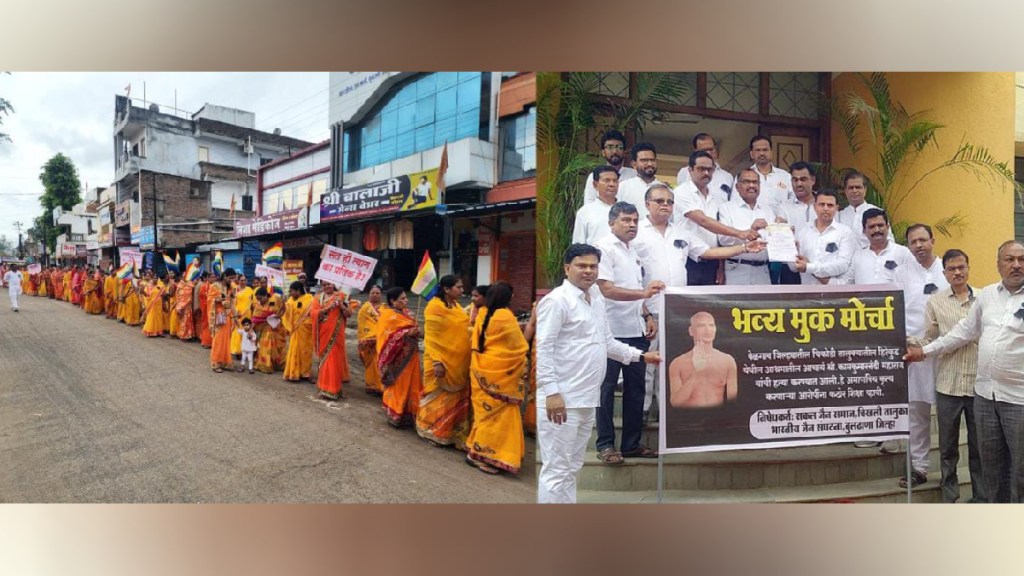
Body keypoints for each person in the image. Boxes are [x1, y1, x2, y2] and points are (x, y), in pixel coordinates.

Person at [535, 244, 661, 504]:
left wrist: (641, 356)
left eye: (593, 266)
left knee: (571, 467)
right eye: (582, 265)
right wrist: (551, 393)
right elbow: (544, 348)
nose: (589, 271)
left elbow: (608, 343)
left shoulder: (596, 299)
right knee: (556, 470)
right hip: (561, 400)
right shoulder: (557, 301)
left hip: (587, 399)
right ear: (567, 268)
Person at [635, 182, 766, 420]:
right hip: (648, 309)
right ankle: (642, 413)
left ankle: (664, 415)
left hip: (675, 310)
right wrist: (642, 309)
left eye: (669, 202)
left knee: (667, 364)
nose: (666, 205)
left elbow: (708, 252)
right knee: (647, 366)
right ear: (647, 204)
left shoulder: (681, 233)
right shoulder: (637, 233)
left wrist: (745, 247)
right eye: (659, 201)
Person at [906, 239, 1024, 503]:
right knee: (992, 464)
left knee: (1020, 468)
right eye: (1010, 259)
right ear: (998, 264)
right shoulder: (988, 296)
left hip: (1018, 398)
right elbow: (962, 333)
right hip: (984, 395)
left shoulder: (981, 294)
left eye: (1022, 259)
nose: (1016, 265)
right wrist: (923, 351)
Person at [593, 202, 663, 464]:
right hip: (610, 331)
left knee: (636, 389)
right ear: (612, 223)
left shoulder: (632, 250)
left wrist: (646, 314)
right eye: (625, 220)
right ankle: (606, 445)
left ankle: (631, 444)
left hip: (635, 329)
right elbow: (607, 289)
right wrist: (644, 294)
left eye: (634, 220)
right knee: (606, 389)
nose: (632, 225)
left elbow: (634, 288)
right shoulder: (603, 248)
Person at [923, 248, 986, 503]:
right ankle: (950, 496)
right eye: (952, 269)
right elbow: (929, 338)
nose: (957, 272)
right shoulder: (935, 302)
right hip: (948, 384)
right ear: (944, 273)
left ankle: (982, 498)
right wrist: (912, 346)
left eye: (962, 267)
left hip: (978, 385)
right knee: (948, 448)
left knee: (978, 447)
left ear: (968, 268)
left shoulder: (984, 298)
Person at [466, 282, 528, 474]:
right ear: (507, 298)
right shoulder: (505, 317)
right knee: (497, 419)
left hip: (480, 370)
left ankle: (479, 449)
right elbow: (520, 347)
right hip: (502, 376)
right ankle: (477, 454)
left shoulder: (482, 312)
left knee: (485, 416)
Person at [674, 150, 761, 285]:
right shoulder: (681, 192)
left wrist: (720, 268)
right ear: (690, 170)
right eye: (701, 169)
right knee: (690, 306)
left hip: (712, 263)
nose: (706, 173)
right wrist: (739, 233)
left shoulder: (714, 197)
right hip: (689, 262)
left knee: (710, 306)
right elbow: (703, 221)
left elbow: (717, 237)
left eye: (710, 169)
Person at [417, 275, 472, 448]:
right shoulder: (434, 307)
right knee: (436, 396)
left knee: (453, 399)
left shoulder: (456, 307)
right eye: (458, 287)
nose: (462, 290)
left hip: (457, 363)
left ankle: (447, 430)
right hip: (439, 361)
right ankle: (429, 429)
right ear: (446, 289)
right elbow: (431, 338)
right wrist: (437, 362)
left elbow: (462, 323)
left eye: (462, 287)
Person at [717, 168, 776, 285]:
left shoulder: (768, 211)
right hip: (736, 270)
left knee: (760, 304)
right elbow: (723, 240)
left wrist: (786, 236)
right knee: (736, 304)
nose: (751, 185)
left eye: (755, 182)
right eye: (746, 182)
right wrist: (749, 232)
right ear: (737, 186)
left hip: (762, 271)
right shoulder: (727, 208)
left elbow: (773, 241)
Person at [668, 312, 738, 408]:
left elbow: (732, 401)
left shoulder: (727, 361)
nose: (708, 330)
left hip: (717, 418)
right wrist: (696, 373)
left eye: (711, 325)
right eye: (701, 326)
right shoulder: (678, 363)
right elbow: (675, 402)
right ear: (691, 331)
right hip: (688, 419)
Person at [376, 287, 423, 428]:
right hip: (397, 358)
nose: (406, 301)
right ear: (392, 301)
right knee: (399, 385)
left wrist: (417, 331)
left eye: (405, 298)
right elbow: (385, 337)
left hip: (411, 356)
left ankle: (410, 413)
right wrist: (406, 333)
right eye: (402, 298)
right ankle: (395, 413)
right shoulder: (388, 316)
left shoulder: (407, 314)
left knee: (413, 383)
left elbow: (413, 330)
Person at [790, 190, 856, 285]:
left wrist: (809, 267)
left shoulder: (845, 232)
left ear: (837, 208)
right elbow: (794, 267)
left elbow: (843, 265)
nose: (825, 208)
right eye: (822, 204)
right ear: (814, 206)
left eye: (830, 205)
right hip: (807, 292)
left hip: (834, 292)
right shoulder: (803, 232)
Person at [311, 281, 351, 400]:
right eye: (324, 285)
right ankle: (324, 388)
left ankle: (334, 389)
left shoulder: (342, 296)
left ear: (333, 284)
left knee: (334, 359)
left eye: (329, 284)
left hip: (336, 334)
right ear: (321, 286)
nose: (327, 286)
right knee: (325, 359)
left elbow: (349, 314)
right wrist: (328, 308)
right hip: (323, 333)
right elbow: (313, 313)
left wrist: (342, 306)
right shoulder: (317, 298)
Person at [836, 171, 894, 249]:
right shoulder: (839, 215)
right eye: (851, 188)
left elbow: (889, 241)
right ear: (845, 191)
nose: (854, 191)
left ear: (865, 189)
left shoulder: (878, 213)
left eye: (858, 187)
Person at [674, 132, 734, 201]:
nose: (709, 153)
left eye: (711, 149)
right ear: (695, 152)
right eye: (704, 150)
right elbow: (682, 198)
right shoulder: (685, 172)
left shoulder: (727, 177)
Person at [582, 129, 637, 204]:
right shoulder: (594, 176)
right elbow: (589, 205)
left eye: (619, 147)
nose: (614, 151)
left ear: (624, 152)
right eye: (610, 147)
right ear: (603, 152)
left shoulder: (634, 175)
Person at [571, 166, 619, 246]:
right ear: (595, 184)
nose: (612, 184)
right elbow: (578, 244)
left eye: (615, 181)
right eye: (607, 180)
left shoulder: (626, 210)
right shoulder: (585, 212)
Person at [744, 135, 793, 210]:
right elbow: (736, 202)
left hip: (780, 220)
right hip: (753, 220)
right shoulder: (743, 177)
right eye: (758, 150)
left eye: (765, 150)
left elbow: (794, 200)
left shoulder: (785, 176)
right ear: (751, 154)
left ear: (771, 152)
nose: (762, 153)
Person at [615, 142, 660, 221]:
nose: (649, 164)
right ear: (634, 164)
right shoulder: (623, 187)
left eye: (652, 160)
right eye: (644, 160)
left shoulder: (664, 189)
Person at [282, 281, 315, 382]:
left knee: (306, 352)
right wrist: (284, 305)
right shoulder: (290, 301)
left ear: (298, 291)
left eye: (291, 291)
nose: (290, 293)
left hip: (307, 331)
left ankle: (306, 373)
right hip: (296, 330)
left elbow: (313, 313)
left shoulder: (310, 299)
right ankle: (294, 372)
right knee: (294, 350)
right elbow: (287, 314)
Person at [208, 269, 237, 373]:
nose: (232, 280)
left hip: (228, 317)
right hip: (218, 317)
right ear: (224, 276)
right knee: (219, 340)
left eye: (233, 278)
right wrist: (220, 299)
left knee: (226, 341)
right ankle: (216, 363)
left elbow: (233, 303)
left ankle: (225, 362)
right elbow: (210, 300)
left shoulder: (231, 288)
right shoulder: (214, 286)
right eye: (230, 278)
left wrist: (235, 316)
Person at [357, 285, 384, 395]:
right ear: (369, 294)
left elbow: (386, 324)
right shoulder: (365, 308)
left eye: (377, 293)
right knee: (370, 363)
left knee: (380, 363)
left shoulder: (385, 308)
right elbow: (362, 325)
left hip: (381, 340)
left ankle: (380, 386)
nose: (375, 295)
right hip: (367, 341)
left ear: (381, 295)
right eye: (372, 293)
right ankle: (371, 385)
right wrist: (365, 338)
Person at [252, 286, 285, 374]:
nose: (260, 301)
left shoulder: (276, 298)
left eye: (261, 298)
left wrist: (279, 315)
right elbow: (256, 318)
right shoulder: (258, 305)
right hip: (265, 328)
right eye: (258, 299)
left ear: (266, 295)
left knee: (278, 347)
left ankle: (277, 364)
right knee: (266, 345)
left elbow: (284, 308)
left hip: (277, 327)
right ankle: (265, 365)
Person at [230, 275, 255, 358]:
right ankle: (238, 351)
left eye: (244, 280)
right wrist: (236, 311)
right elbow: (232, 302)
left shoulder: (250, 290)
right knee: (238, 331)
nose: (243, 282)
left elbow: (252, 302)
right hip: (238, 313)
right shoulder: (235, 290)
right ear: (238, 281)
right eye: (241, 280)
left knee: (247, 331)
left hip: (247, 313)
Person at [141, 271, 166, 337]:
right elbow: (146, 295)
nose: (155, 279)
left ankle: (159, 332)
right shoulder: (148, 287)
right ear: (152, 279)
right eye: (154, 278)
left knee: (159, 318)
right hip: (151, 304)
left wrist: (163, 303)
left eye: (156, 278)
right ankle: (150, 332)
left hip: (158, 304)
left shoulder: (161, 285)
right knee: (151, 318)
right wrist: (142, 291)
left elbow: (164, 295)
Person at [175, 274, 196, 341]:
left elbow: (192, 292)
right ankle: (183, 335)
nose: (185, 276)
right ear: (181, 277)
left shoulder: (190, 283)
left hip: (189, 305)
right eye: (184, 276)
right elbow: (178, 296)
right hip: (182, 306)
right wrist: (180, 306)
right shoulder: (179, 285)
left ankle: (189, 335)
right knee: (183, 321)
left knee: (189, 320)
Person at [197, 272, 213, 348]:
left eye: (214, 277)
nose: (213, 278)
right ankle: (206, 342)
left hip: (213, 309)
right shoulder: (204, 286)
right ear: (208, 278)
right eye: (211, 277)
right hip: (206, 308)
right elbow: (201, 297)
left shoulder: (216, 286)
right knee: (206, 324)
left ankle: (213, 342)